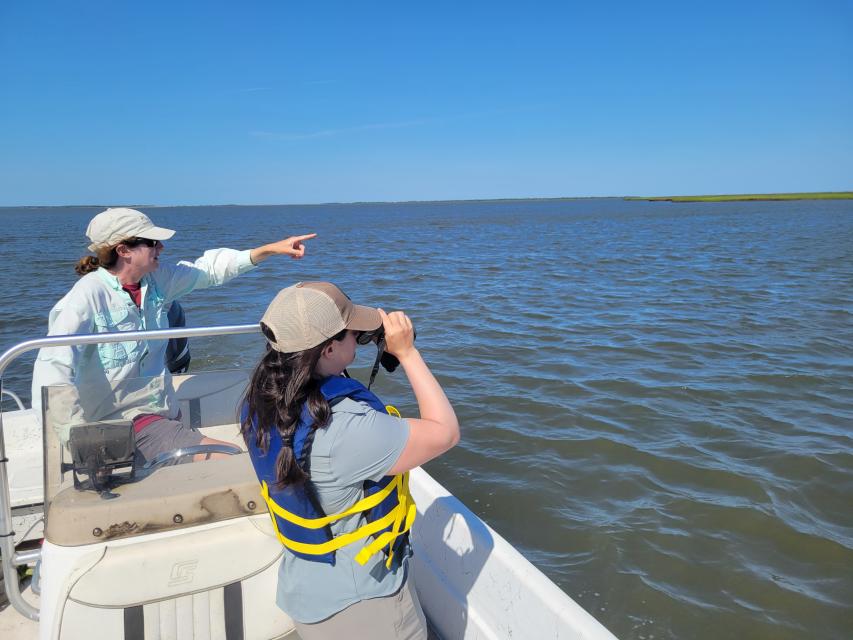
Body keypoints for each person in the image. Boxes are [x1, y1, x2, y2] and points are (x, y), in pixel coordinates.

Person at [241, 281, 459, 640]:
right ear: (328, 349)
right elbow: (446, 433)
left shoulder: (263, 397)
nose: (359, 336)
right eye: (353, 333)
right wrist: (406, 353)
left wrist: (349, 345)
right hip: (365, 607)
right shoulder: (345, 429)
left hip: (308, 590)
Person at [32, 206, 316, 466]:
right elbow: (53, 366)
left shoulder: (156, 281)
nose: (161, 247)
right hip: (123, 424)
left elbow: (207, 271)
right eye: (152, 242)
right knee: (231, 458)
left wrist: (269, 250)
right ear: (124, 250)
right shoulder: (86, 296)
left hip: (162, 414)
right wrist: (78, 438)